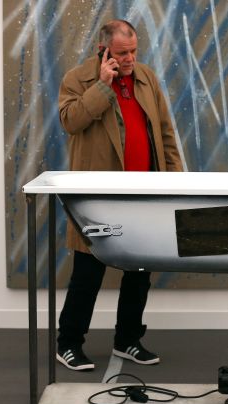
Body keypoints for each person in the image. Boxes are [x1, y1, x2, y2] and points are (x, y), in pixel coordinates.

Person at [56, 19, 182, 371]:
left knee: (139, 272)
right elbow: (70, 121)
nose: (130, 59)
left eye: (134, 51)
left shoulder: (145, 77)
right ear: (104, 50)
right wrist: (102, 86)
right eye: (122, 53)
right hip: (99, 199)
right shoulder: (78, 79)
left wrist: (175, 180)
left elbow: (165, 132)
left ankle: (128, 339)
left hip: (143, 194)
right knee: (88, 271)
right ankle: (68, 343)